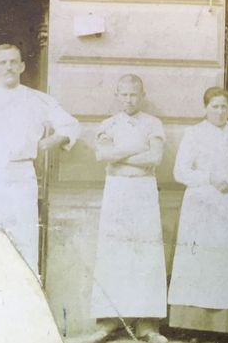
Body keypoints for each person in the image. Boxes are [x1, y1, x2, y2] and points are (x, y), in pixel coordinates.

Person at [0, 43, 80, 274]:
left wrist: (51, 141)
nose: (9, 67)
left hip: (21, 176)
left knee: (22, 241)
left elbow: (71, 125)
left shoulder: (37, 99)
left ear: (22, 66)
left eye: (14, 62)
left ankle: (22, 305)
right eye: (3, 63)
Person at [168, 87, 228, 341]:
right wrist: (209, 178)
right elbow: (180, 172)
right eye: (214, 107)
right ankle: (198, 327)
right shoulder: (194, 134)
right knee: (203, 262)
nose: (220, 112)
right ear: (205, 108)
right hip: (202, 205)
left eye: (224, 107)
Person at [85, 75, 168, 343]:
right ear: (116, 95)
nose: (128, 100)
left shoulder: (153, 124)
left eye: (133, 95)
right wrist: (135, 150)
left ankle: (147, 325)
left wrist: (120, 155)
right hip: (117, 190)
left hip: (143, 190)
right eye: (123, 94)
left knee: (146, 255)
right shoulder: (108, 124)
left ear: (142, 95)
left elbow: (155, 157)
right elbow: (102, 156)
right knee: (113, 254)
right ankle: (108, 322)